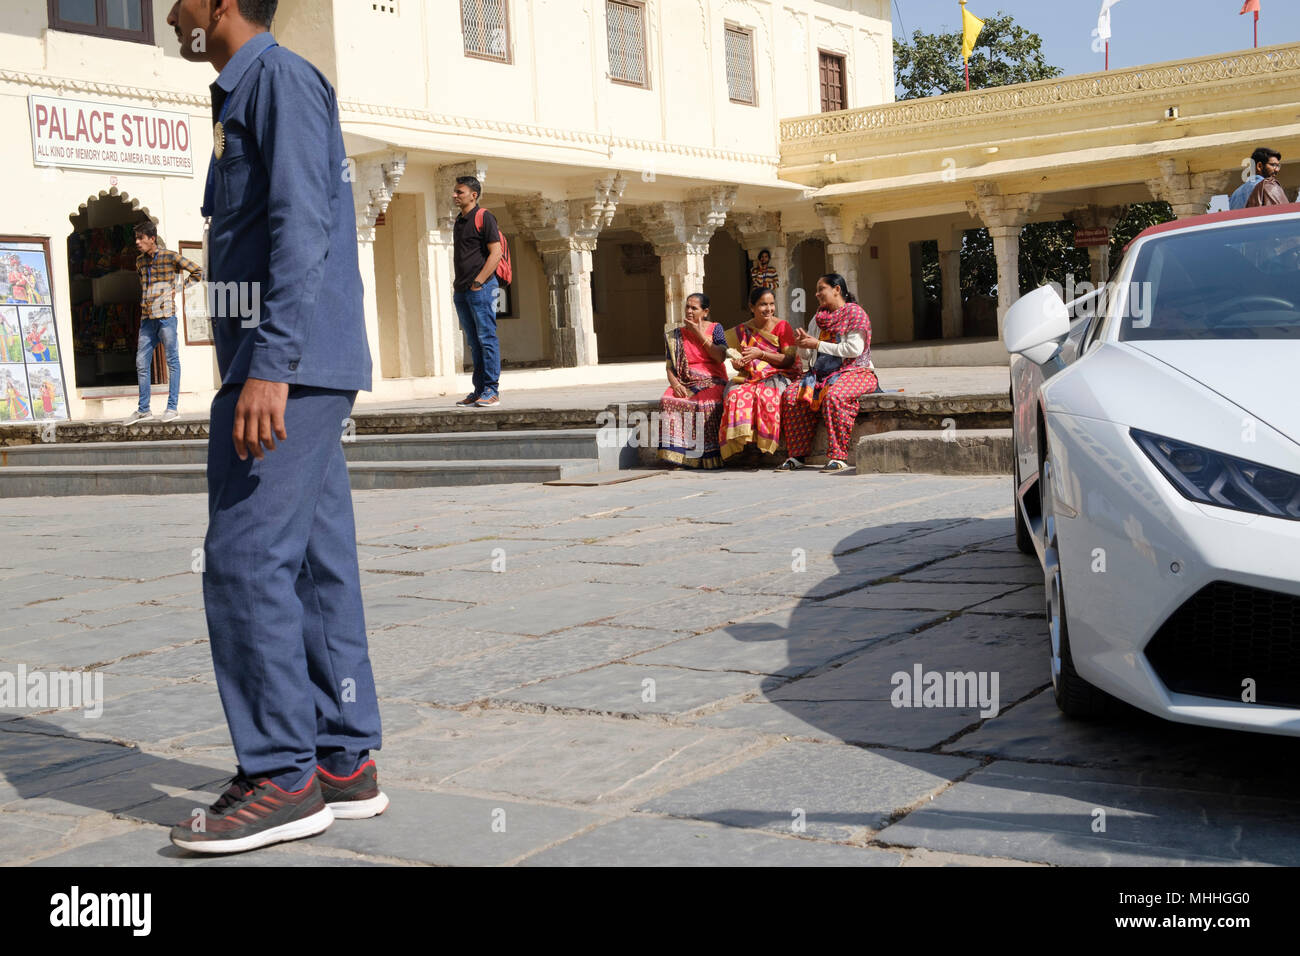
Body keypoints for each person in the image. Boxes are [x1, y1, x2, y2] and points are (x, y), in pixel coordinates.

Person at [165, 0, 386, 854]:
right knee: (315, 565)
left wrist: (271, 365)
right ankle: (341, 759)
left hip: (287, 369)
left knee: (246, 557)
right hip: (290, 366)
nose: (167, 12)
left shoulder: (280, 82)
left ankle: (281, 776)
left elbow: (305, 226)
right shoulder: (245, 92)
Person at [777, 273, 878, 473]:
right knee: (790, 396)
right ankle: (797, 455)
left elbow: (854, 350)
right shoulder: (818, 318)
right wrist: (803, 345)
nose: (817, 294)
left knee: (834, 396)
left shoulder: (855, 314)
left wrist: (818, 343)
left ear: (837, 289)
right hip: (821, 375)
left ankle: (838, 456)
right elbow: (810, 355)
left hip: (857, 372)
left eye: (821, 288)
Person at [122, 221, 202, 424]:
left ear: (152, 239)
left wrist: (178, 288)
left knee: (172, 361)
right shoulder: (140, 262)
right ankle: (143, 410)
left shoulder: (170, 256)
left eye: (141, 238)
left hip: (166, 317)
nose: (138, 242)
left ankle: (172, 408)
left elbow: (197, 272)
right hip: (147, 319)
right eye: (136, 238)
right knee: (141, 362)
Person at [719, 286, 799, 462]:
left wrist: (761, 354)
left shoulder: (782, 326)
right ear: (751, 307)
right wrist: (738, 363)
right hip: (749, 376)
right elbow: (735, 356)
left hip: (777, 374)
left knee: (766, 396)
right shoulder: (742, 331)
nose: (768, 309)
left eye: (771, 304)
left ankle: (763, 447)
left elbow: (789, 360)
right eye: (763, 305)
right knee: (734, 395)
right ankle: (745, 446)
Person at [451, 175, 503, 407]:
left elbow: (496, 253)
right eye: (455, 191)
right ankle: (479, 390)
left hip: (481, 288)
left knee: (487, 338)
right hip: (462, 290)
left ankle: (492, 390)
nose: (455, 195)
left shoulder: (484, 217)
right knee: (474, 341)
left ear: (474, 195)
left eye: (459, 192)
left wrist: (479, 281)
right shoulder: (458, 221)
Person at [659, 293, 727, 468]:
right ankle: (679, 457)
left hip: (713, 379)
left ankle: (706, 458)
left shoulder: (716, 328)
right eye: (687, 307)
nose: (689, 311)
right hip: (685, 379)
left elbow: (720, 357)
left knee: (706, 404)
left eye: (694, 308)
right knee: (669, 400)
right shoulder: (675, 335)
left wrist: (698, 333)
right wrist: (675, 384)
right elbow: (670, 366)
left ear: (705, 312)